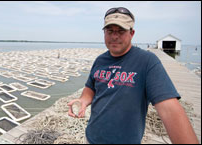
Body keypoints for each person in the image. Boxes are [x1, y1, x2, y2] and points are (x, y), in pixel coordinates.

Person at [68, 7, 199, 144]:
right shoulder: (100, 60)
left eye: (121, 31)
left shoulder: (147, 61)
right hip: (91, 138)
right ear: (104, 33)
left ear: (132, 33)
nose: (114, 36)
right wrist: (82, 102)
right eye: (110, 31)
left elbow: (170, 110)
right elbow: (91, 88)